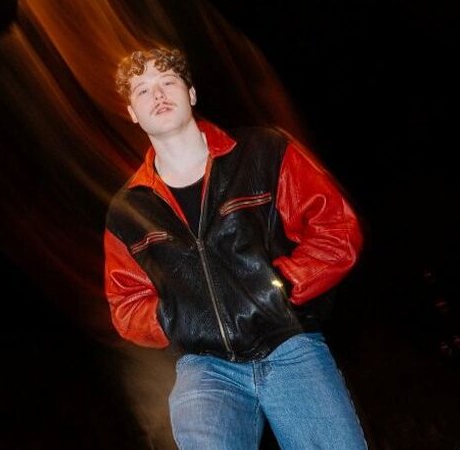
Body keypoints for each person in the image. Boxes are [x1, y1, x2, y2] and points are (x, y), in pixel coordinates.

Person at [103, 46, 368, 450]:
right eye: (142, 90)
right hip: (206, 367)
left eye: (168, 81)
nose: (157, 94)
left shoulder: (263, 152)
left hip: (287, 345)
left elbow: (336, 229)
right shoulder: (128, 210)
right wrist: (176, 319)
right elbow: (126, 301)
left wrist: (281, 284)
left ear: (191, 94)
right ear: (133, 113)